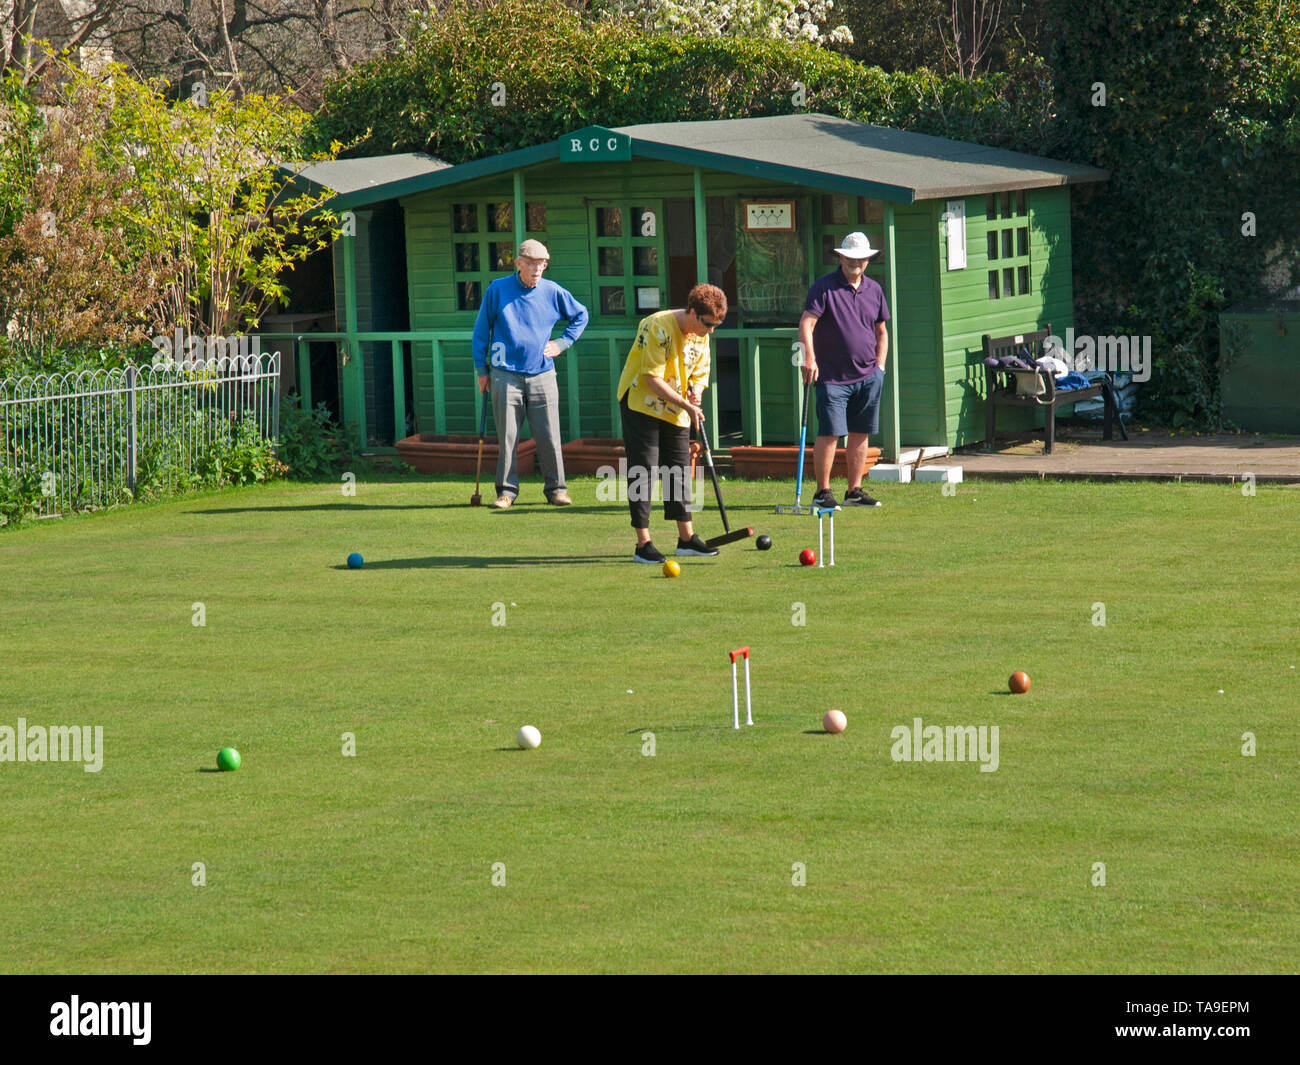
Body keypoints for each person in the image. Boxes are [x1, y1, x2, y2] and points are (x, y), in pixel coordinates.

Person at [614, 284, 728, 563]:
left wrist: (696, 393)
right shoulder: (657, 326)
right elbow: (651, 379)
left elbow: (701, 371)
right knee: (644, 469)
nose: (711, 331)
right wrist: (686, 405)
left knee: (677, 469)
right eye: (708, 324)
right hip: (642, 402)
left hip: (676, 406)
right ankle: (643, 544)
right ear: (692, 312)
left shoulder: (701, 333)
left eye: (716, 325)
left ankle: (686, 539)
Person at [472, 238, 589, 508]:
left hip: (542, 373)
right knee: (508, 436)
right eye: (533, 263)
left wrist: (562, 343)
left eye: (543, 264)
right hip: (503, 373)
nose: (538, 269)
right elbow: (481, 330)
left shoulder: (552, 291)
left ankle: (557, 489)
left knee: (549, 434)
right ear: (519, 263)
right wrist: (481, 368)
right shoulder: (497, 289)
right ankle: (506, 492)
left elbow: (580, 315)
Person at [798, 231, 891, 509]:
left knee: (860, 432)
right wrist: (809, 359)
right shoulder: (824, 287)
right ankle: (822, 493)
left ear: (868, 261)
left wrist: (880, 367)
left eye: (862, 258)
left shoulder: (874, 289)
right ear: (840, 257)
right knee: (831, 433)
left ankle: (854, 491)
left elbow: (882, 332)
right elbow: (806, 324)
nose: (856, 262)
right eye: (851, 257)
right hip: (832, 377)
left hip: (868, 376)